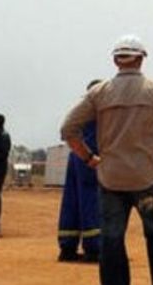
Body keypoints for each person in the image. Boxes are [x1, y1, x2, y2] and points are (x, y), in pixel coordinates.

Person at [61, 35, 153, 285]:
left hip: (111, 179)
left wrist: (89, 158)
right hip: (147, 178)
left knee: (112, 240)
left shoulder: (99, 93)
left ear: (116, 60)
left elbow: (67, 129)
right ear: (141, 59)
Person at [58, 80, 104, 262]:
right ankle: (94, 248)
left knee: (72, 202)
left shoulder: (80, 109)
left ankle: (67, 247)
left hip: (76, 155)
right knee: (91, 200)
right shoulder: (100, 111)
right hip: (91, 156)